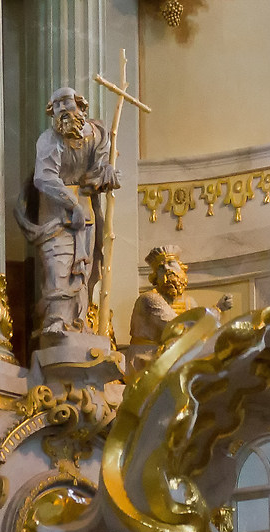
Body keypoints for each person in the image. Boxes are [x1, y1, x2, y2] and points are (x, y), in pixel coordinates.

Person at [15, 87, 119, 341]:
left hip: (85, 213)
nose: (62, 110)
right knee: (58, 264)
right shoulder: (48, 140)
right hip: (54, 211)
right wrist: (71, 204)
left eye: (66, 104)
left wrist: (105, 175)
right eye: (57, 106)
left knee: (82, 269)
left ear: (81, 108)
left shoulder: (98, 135)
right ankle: (57, 320)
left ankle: (77, 322)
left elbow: (97, 171)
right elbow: (44, 177)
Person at [129, 245, 198, 354]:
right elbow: (175, 327)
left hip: (170, 354)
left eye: (170, 263)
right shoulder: (149, 298)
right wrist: (216, 310)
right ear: (155, 277)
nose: (166, 268)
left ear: (181, 269)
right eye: (161, 267)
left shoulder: (189, 302)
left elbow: (199, 327)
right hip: (147, 357)